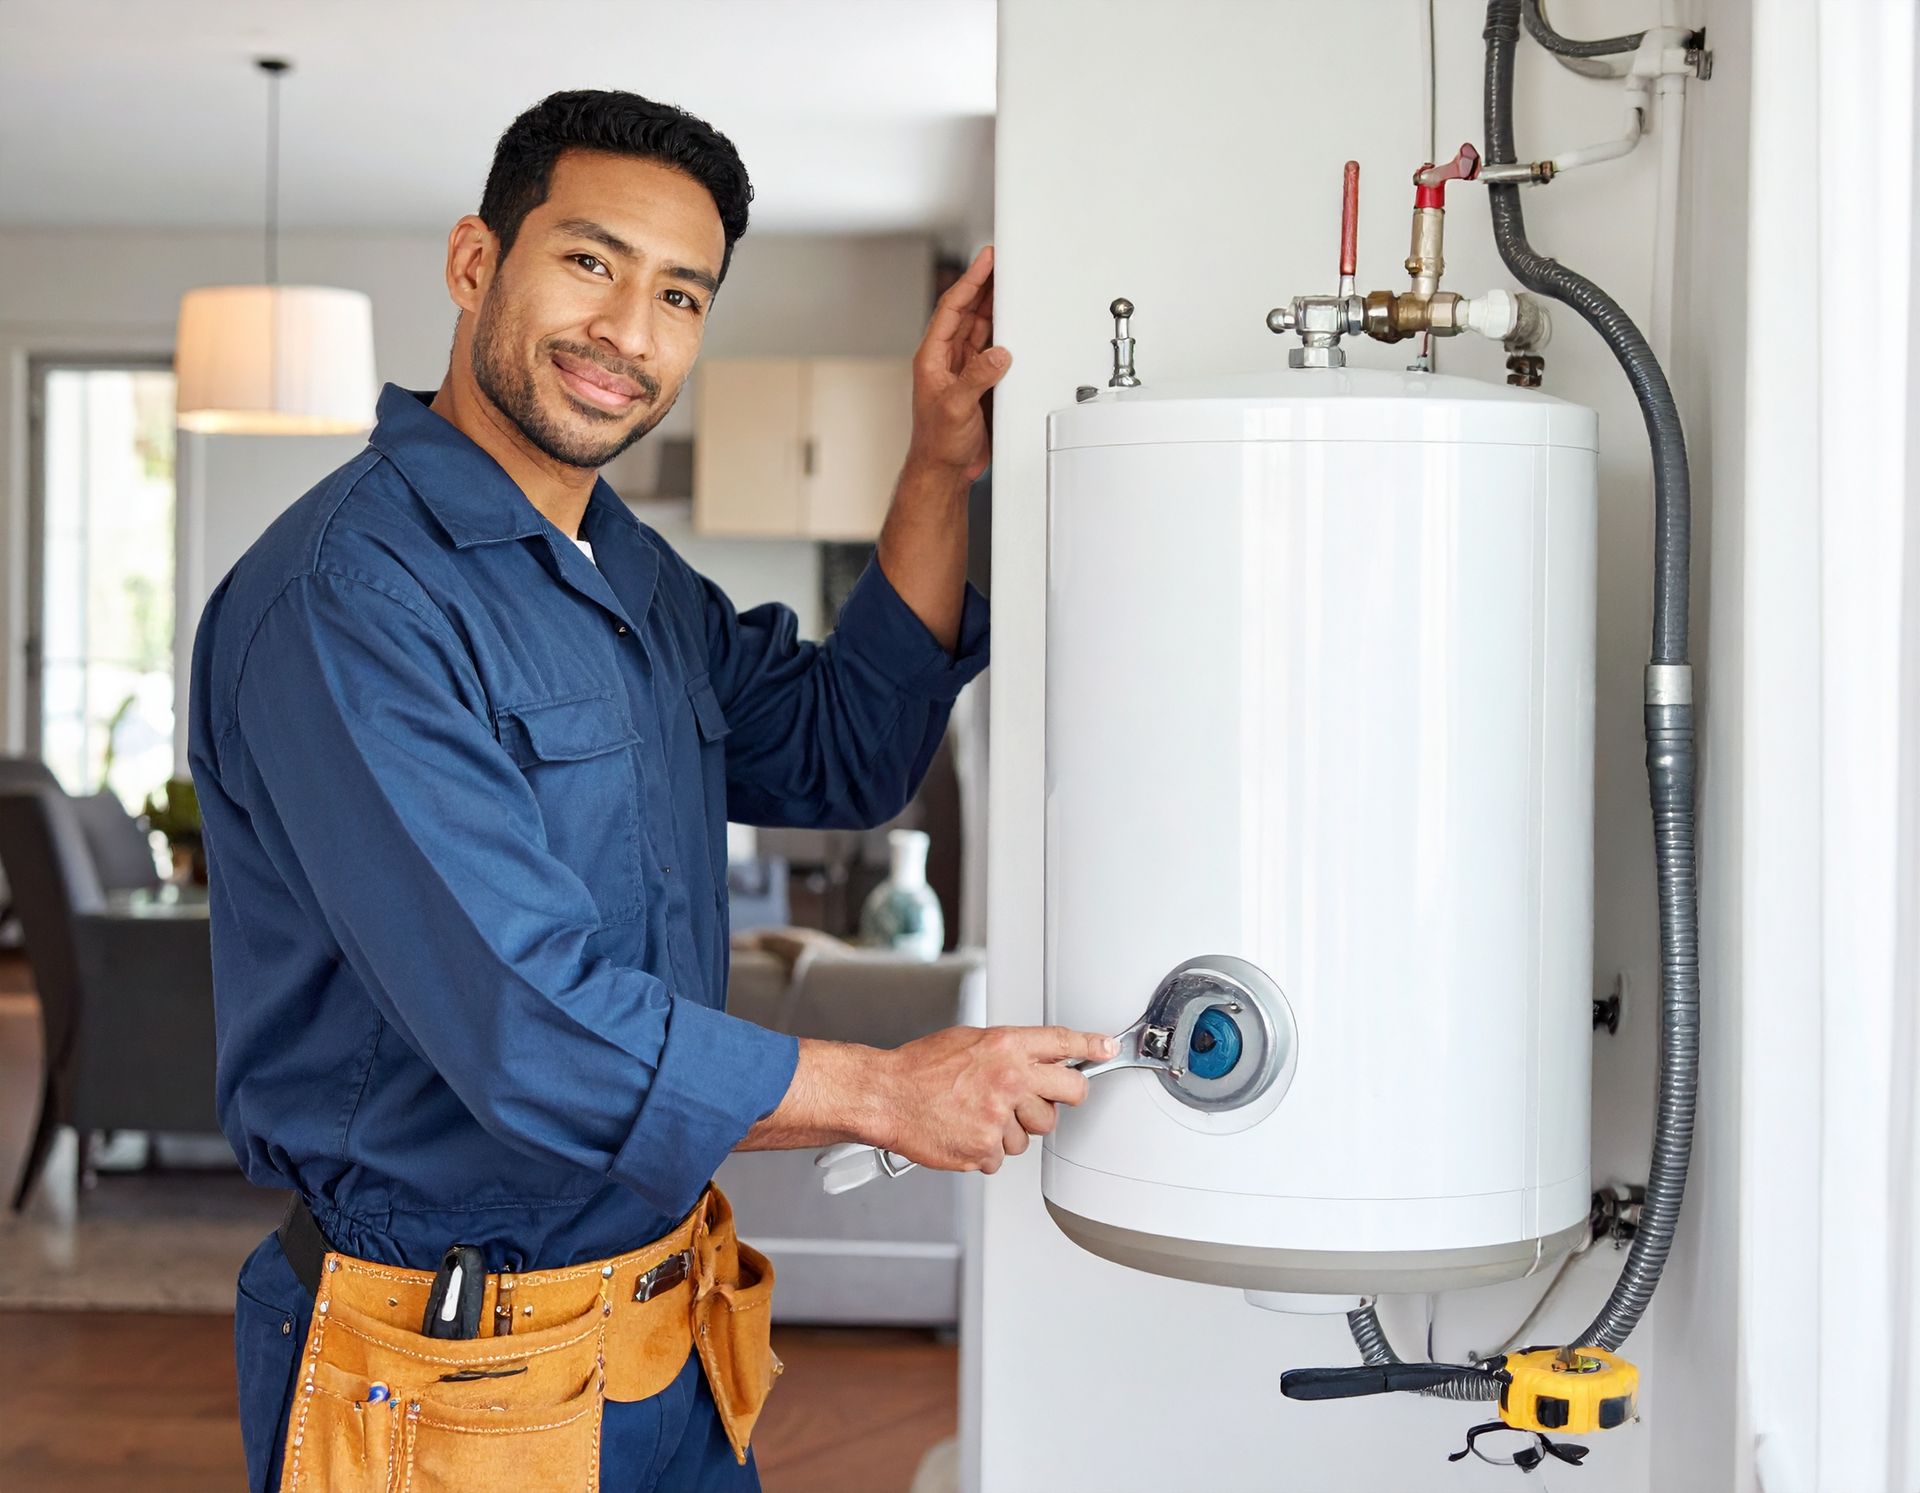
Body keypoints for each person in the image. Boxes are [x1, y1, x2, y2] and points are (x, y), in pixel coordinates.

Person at [188, 89, 1111, 1493]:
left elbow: (843, 746)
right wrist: (883, 1086)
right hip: (448, 1372)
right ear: (475, 263)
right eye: (589, 261)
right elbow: (526, 1021)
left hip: (663, 1335)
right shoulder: (347, 602)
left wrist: (936, 461)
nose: (630, 330)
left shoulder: (623, 571)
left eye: (680, 293)